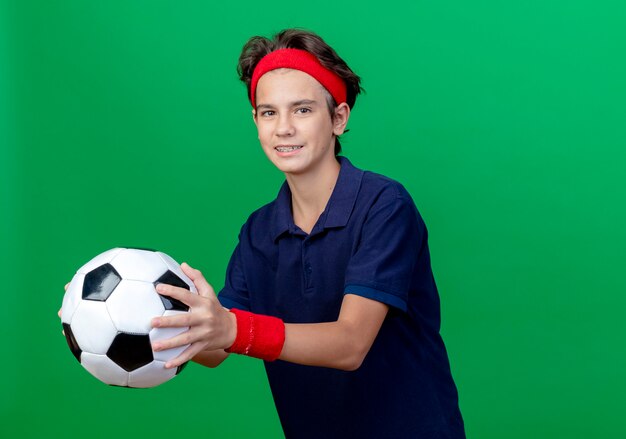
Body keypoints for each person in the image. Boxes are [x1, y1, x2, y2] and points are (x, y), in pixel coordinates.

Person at [63, 29, 466, 438]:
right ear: (256, 121)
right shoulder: (259, 231)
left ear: (339, 119)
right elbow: (217, 348)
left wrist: (235, 329)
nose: (284, 128)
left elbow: (350, 344)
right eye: (269, 112)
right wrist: (115, 314)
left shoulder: (383, 204)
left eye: (303, 110)